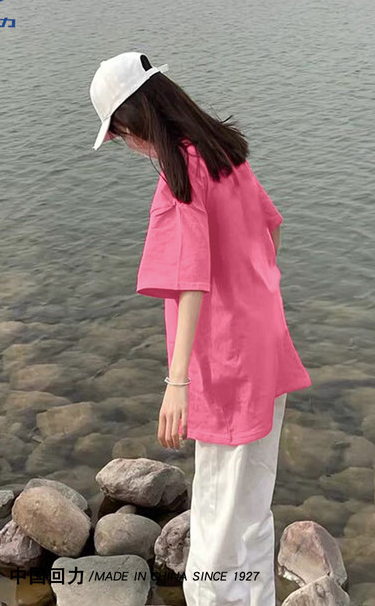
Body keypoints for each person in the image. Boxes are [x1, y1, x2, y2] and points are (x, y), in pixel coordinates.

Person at [89, 52, 312, 606]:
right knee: (251, 502)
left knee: (215, 508)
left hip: (225, 362)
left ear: (133, 120)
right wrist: (254, 295)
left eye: (117, 134)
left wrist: (177, 381)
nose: (124, 145)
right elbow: (273, 228)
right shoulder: (224, 154)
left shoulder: (180, 176)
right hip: (263, 345)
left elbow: (188, 280)